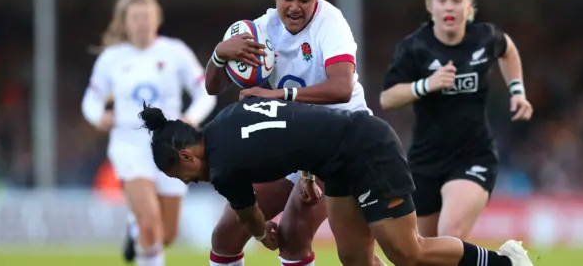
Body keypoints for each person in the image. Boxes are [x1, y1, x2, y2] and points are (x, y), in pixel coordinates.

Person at [139, 97, 534, 266]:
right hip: (338, 161)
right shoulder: (227, 118)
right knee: (354, 259)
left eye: (181, 175)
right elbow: (296, 125)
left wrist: (264, 234)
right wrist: (310, 169)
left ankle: (503, 262)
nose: (188, 183)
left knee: (406, 253)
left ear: (187, 156)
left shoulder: (223, 168)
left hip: (365, 150)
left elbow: (252, 220)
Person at [204, 0, 382, 266]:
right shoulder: (260, 31)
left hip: (343, 138)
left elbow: (341, 88)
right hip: (297, 145)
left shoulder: (330, 23)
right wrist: (219, 55)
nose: (296, 7)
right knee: (226, 232)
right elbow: (213, 86)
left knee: (301, 236)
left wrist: (276, 96)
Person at [380, 0, 534, 240]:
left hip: (473, 156)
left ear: (469, 6)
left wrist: (517, 91)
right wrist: (426, 85)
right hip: (425, 161)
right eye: (442, 0)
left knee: (450, 233)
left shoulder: (485, 37)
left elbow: (507, 49)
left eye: (456, 0)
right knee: (423, 252)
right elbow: (387, 98)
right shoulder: (414, 47)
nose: (449, 6)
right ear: (430, 6)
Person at [81, 0, 217, 266]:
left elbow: (205, 90)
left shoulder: (175, 52)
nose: (142, 22)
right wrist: (99, 117)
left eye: (147, 16)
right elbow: (91, 99)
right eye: (135, 17)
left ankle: (135, 232)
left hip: (170, 147)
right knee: (149, 223)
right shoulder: (112, 58)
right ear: (125, 23)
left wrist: (191, 117)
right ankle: (139, 226)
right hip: (130, 146)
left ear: (157, 19)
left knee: (166, 234)